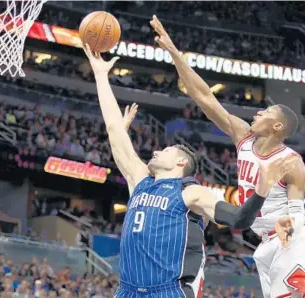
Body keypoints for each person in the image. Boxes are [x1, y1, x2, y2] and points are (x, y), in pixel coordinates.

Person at [83, 44, 298, 298]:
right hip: (127, 292)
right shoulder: (139, 181)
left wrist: (261, 191)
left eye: (164, 150)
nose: (155, 152)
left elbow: (240, 219)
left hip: (168, 291)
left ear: (180, 163)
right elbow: (113, 129)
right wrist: (99, 74)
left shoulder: (192, 193)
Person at [150, 15, 305, 297]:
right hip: (264, 242)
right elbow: (205, 98)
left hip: (291, 241)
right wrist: (174, 53)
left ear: (278, 127)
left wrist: (292, 236)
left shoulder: (291, 162)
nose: (256, 113)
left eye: (265, 113)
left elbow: (297, 213)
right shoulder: (243, 137)